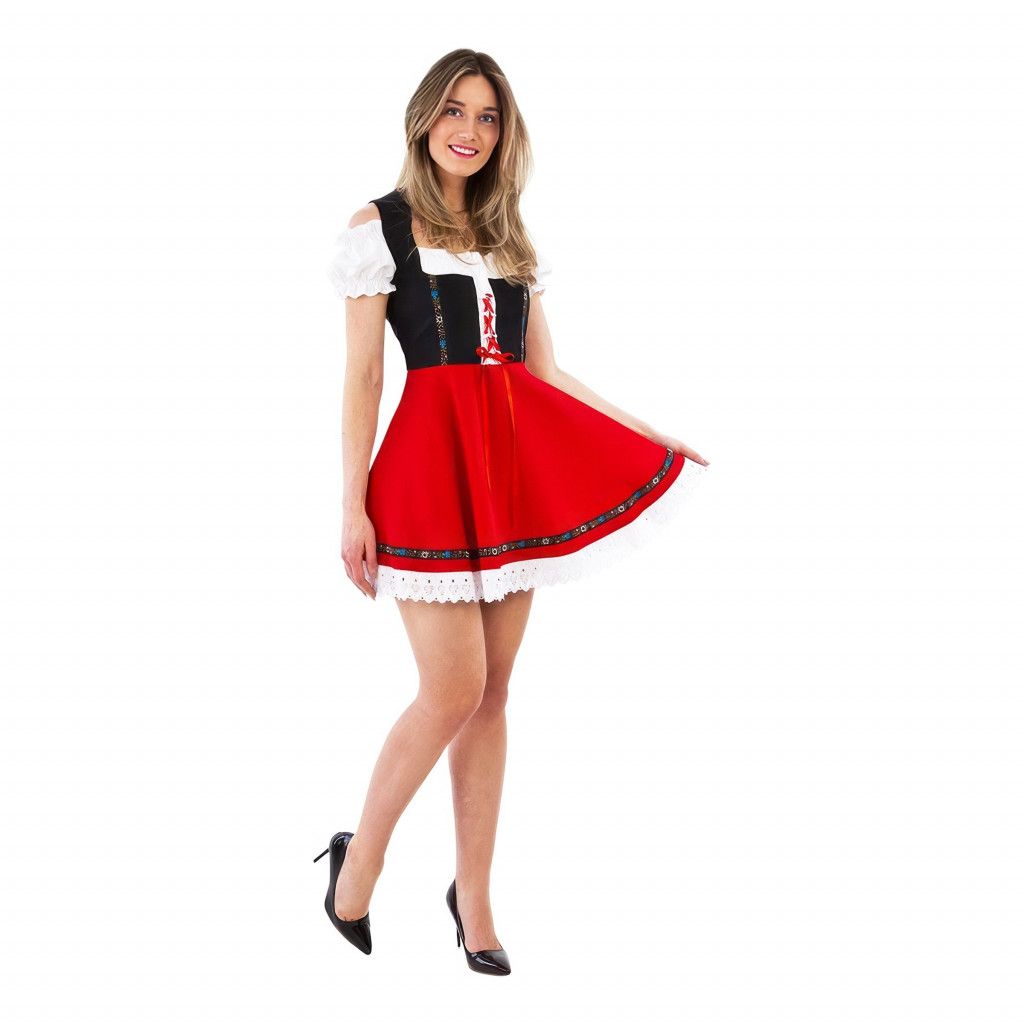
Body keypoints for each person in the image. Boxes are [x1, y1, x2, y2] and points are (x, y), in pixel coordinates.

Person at [315, 49, 710, 975]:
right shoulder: (381, 228)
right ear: (425, 118)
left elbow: (544, 373)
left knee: (492, 693)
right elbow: (364, 377)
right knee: (450, 689)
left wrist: (647, 431)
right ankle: (359, 859)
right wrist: (351, 506)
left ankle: (476, 899)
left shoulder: (506, 235)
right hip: (426, 474)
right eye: (455, 110)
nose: (470, 130)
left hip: (509, 480)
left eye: (488, 116)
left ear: (504, 134)